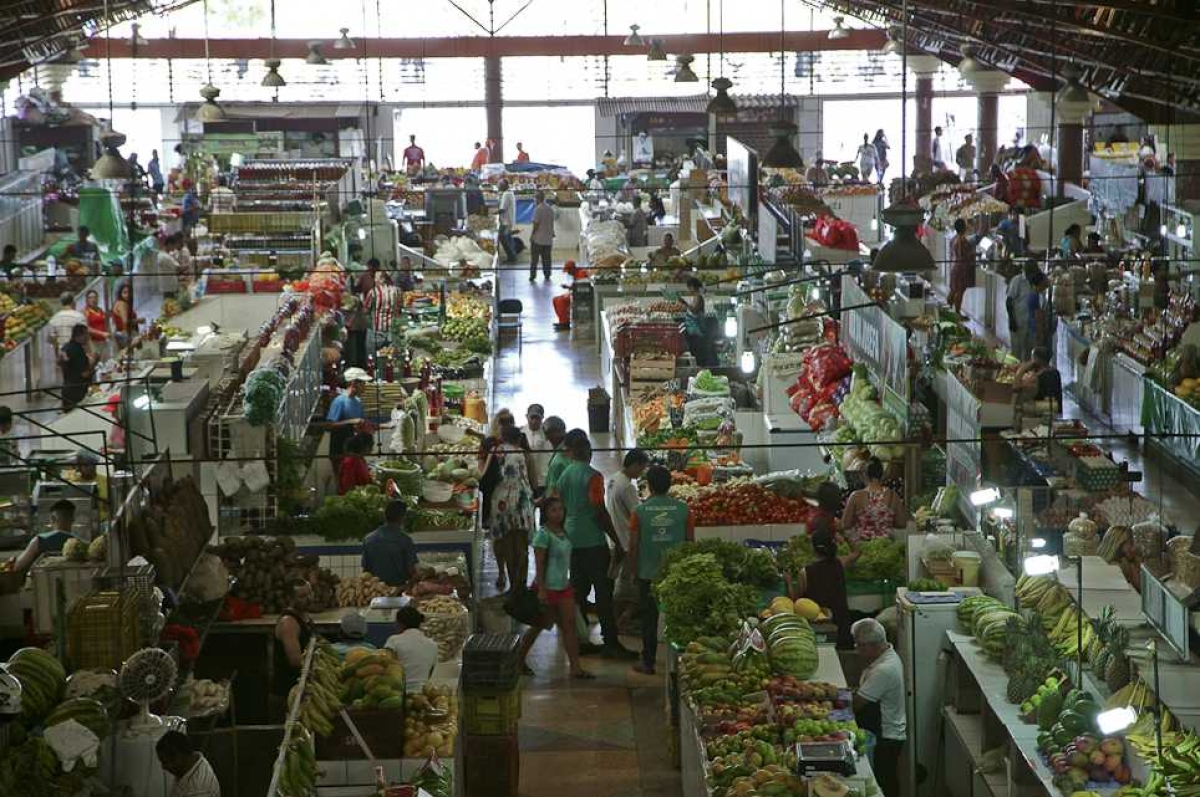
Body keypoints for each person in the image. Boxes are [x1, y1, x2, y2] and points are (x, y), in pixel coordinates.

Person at [556, 434, 636, 659]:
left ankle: (581, 641)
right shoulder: (593, 477)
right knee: (603, 593)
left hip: (572, 539)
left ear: (572, 452)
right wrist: (616, 540)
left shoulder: (565, 474)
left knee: (579, 593)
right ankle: (610, 643)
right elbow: (599, 512)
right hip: (592, 541)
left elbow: (557, 505)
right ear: (589, 452)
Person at [518, 496, 594, 679]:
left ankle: (576, 667)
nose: (558, 513)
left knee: (569, 626)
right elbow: (540, 563)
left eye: (560, 509)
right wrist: (542, 589)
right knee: (539, 625)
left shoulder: (563, 532)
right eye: (553, 510)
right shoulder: (543, 535)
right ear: (545, 513)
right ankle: (518, 659)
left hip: (563, 587)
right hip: (547, 588)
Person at [628, 464, 693, 674]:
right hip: (676, 573)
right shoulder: (684, 509)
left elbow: (634, 545)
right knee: (678, 615)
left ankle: (648, 662)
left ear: (649, 485)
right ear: (670, 484)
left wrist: (632, 570)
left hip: (648, 573)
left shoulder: (639, 512)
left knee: (649, 618)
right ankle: (682, 662)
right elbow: (690, 543)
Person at [852, 618, 905, 797]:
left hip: (886, 735)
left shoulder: (884, 669)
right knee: (884, 779)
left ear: (871, 645)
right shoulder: (884, 656)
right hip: (883, 731)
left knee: (884, 782)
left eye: (859, 646)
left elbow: (857, 704)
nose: (856, 650)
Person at [487, 424, 536, 593]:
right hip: (522, 502)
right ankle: (520, 586)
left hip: (502, 502)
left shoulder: (497, 450)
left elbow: (485, 475)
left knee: (508, 546)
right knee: (521, 546)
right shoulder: (522, 453)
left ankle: (513, 586)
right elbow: (530, 479)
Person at [606, 449, 650, 632]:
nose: (641, 473)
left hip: (615, 538)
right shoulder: (627, 487)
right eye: (641, 468)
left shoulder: (614, 479)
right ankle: (622, 621)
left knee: (619, 581)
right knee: (629, 584)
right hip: (626, 541)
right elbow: (638, 515)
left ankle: (618, 620)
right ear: (635, 465)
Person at [789, 531, 859, 649]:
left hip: (820, 630)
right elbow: (857, 552)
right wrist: (844, 534)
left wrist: (789, 583)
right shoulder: (840, 563)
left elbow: (795, 601)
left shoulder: (805, 572)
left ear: (814, 548)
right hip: (842, 628)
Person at [841, 457, 910, 542]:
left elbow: (845, 524)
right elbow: (902, 523)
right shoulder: (893, 495)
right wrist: (886, 522)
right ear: (881, 474)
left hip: (862, 547)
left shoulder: (855, 496)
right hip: (887, 546)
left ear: (864, 475)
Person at [11, 500, 81, 575]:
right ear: (73, 519)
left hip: (42, 584)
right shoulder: (79, 544)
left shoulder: (39, 540)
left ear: (52, 519)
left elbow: (18, 566)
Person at [272, 580, 315, 702]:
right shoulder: (288, 622)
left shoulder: (305, 617)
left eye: (310, 593)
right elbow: (296, 661)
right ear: (290, 599)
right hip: (286, 693)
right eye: (302, 596)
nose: (309, 598)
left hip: (301, 690)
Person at [362, 500, 419, 587]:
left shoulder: (368, 539)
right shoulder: (405, 540)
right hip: (398, 590)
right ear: (402, 517)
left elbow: (366, 570)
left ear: (385, 516)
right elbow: (411, 570)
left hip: (376, 590)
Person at [384, 606, 440, 691]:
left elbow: (386, 666)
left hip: (400, 693)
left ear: (400, 624)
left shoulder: (394, 641)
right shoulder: (433, 645)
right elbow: (428, 674)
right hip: (423, 693)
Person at [155, 730, 221, 797]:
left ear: (179, 756)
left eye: (165, 762)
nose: (163, 767)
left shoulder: (199, 790)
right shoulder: (188, 765)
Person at [326, 369, 367, 466]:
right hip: (340, 452)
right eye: (363, 384)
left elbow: (361, 424)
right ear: (353, 383)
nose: (365, 387)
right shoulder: (339, 401)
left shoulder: (358, 402)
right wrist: (351, 421)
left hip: (355, 452)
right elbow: (329, 425)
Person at [1005, 260, 1040, 360]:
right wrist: (1012, 320)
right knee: (1016, 354)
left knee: (1029, 353)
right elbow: (1008, 301)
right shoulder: (1017, 281)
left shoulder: (1034, 281)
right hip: (1017, 322)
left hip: (1030, 323)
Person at [1014, 345, 1063, 410]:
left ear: (1037, 359)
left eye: (1032, 358)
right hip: (1055, 407)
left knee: (1018, 399)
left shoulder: (1036, 378)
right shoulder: (1056, 372)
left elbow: (1015, 387)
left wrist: (1021, 370)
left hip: (1041, 409)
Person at [520, 404, 553, 497]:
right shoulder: (521, 433)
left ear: (542, 418)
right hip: (526, 480)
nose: (534, 421)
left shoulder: (548, 433)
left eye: (537, 418)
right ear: (527, 417)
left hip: (544, 480)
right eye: (532, 418)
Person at [60, 324, 95, 410]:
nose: (88, 337)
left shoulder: (67, 346)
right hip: (77, 391)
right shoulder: (77, 350)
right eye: (86, 334)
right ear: (79, 335)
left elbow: (61, 361)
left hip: (68, 388)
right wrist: (95, 361)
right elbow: (84, 374)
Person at [948, 217, 976, 313]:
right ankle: (957, 312)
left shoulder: (953, 239)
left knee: (953, 289)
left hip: (954, 266)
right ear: (963, 228)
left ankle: (947, 309)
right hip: (961, 268)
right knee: (960, 290)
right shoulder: (962, 240)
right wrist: (974, 254)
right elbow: (965, 255)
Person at [1025, 271, 1054, 353]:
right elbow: (1038, 317)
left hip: (1033, 329)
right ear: (1040, 282)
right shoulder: (1036, 296)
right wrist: (1041, 336)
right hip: (1036, 332)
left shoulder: (1034, 294)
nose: (1046, 282)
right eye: (1045, 281)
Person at [530, 190, 555, 281]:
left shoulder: (538, 209)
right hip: (548, 239)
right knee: (547, 259)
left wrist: (532, 235)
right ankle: (547, 274)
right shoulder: (550, 208)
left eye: (535, 198)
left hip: (538, 239)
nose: (534, 200)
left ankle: (533, 275)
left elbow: (536, 224)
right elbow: (551, 223)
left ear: (538, 198)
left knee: (534, 259)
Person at [111, 281, 138, 348]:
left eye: (129, 292)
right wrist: (138, 320)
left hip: (124, 335)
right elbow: (125, 321)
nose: (127, 295)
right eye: (125, 292)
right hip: (125, 336)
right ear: (120, 294)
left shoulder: (123, 303)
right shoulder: (121, 304)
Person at [497, 178, 517, 264]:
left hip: (506, 221)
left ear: (504, 185)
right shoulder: (510, 192)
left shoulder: (506, 194)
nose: (498, 186)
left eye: (499, 184)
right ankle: (513, 256)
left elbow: (502, 209)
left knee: (503, 237)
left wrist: (492, 213)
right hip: (509, 220)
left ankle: (511, 257)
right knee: (508, 238)